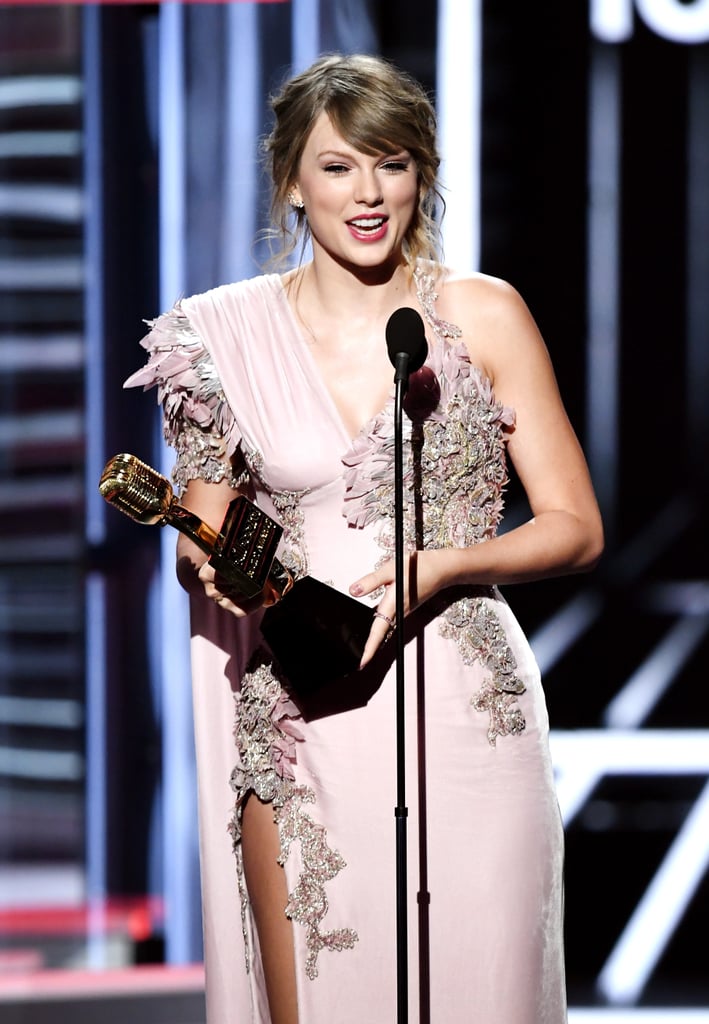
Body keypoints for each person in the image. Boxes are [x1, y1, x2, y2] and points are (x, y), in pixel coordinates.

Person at [125, 52, 603, 1024]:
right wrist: (206, 561)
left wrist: (447, 565)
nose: (369, 191)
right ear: (292, 180)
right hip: (305, 700)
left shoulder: (483, 313)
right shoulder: (221, 336)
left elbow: (574, 526)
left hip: (466, 709)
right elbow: (201, 523)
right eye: (339, 165)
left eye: (391, 162)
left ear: (420, 172)